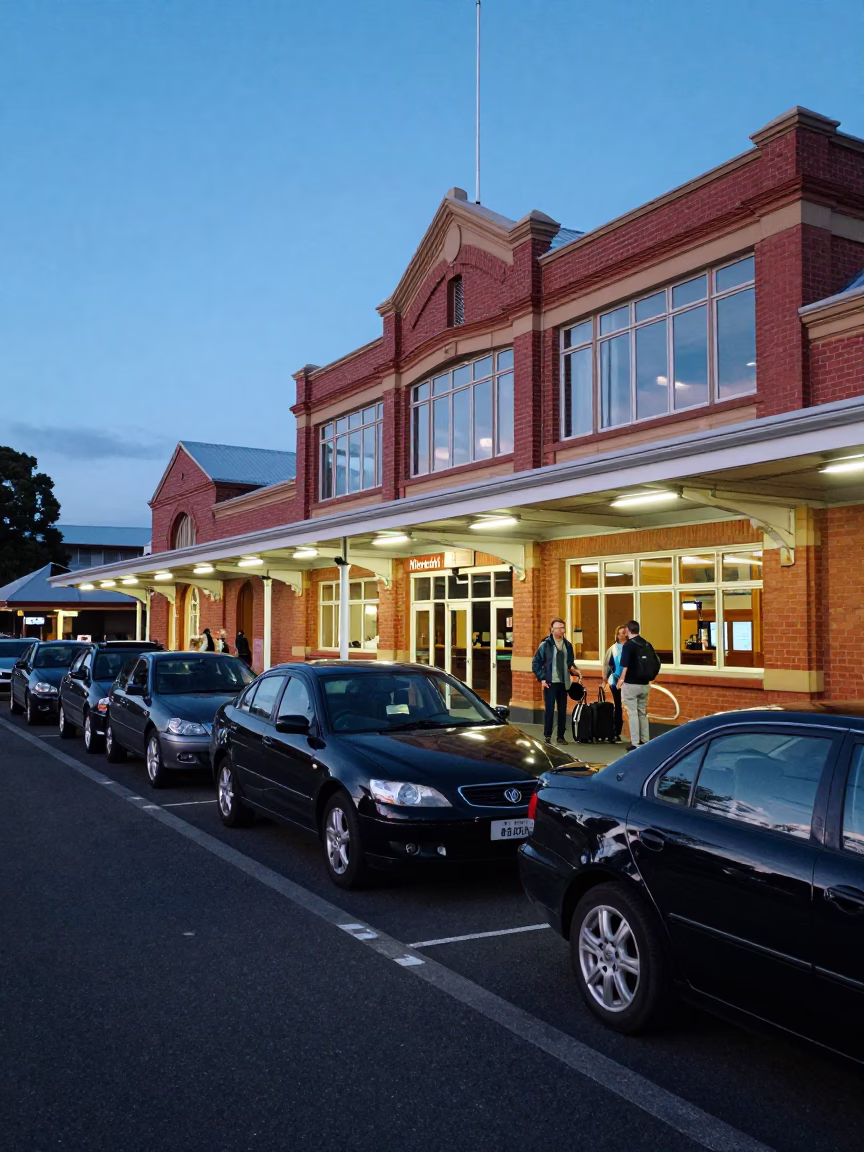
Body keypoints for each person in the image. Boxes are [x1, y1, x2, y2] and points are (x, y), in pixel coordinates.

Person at [531, 618, 581, 746]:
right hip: (550, 681)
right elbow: (536, 663)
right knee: (549, 709)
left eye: (563, 628)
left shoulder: (568, 645)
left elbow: (569, 663)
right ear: (552, 629)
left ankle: (561, 736)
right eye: (558, 628)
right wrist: (542, 678)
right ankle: (547, 735)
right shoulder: (545, 645)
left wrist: (575, 671)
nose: (561, 630)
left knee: (562, 709)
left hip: (563, 682)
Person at [617, 619, 653, 750]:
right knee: (642, 712)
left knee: (632, 713)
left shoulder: (628, 646)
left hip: (631, 684)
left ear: (628, 630)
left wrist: (621, 680)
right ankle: (645, 741)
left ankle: (635, 743)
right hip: (645, 684)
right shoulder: (647, 644)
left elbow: (625, 666)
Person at [602, 625, 628, 743]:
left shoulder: (631, 647)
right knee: (618, 706)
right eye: (620, 633)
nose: (622, 635)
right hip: (615, 681)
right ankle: (615, 732)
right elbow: (607, 665)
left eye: (624, 633)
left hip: (629, 681)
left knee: (628, 706)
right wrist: (604, 680)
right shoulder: (612, 649)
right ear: (617, 635)